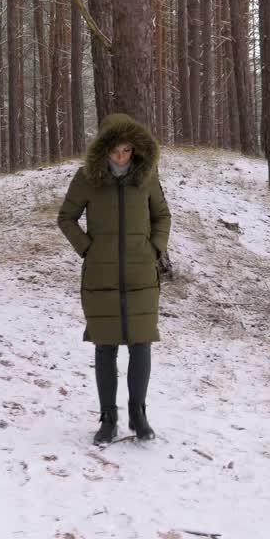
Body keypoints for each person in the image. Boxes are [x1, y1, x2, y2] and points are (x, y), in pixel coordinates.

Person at [57, 113, 171, 445]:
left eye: (126, 151)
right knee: (104, 346)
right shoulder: (86, 179)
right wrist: (88, 249)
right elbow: (66, 217)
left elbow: (161, 215)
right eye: (114, 151)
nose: (120, 158)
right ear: (103, 150)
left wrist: (154, 249)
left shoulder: (147, 178)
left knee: (141, 343)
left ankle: (139, 414)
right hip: (101, 274)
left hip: (140, 274)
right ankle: (108, 418)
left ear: (135, 149)